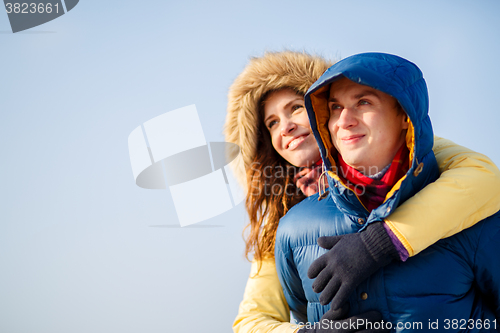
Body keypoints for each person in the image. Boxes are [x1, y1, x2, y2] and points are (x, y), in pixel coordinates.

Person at [224, 51, 500, 333]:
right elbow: (254, 320)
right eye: (272, 123)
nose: (286, 127)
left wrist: (379, 242)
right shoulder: (283, 221)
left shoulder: (396, 144)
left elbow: (483, 179)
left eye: (295, 108)